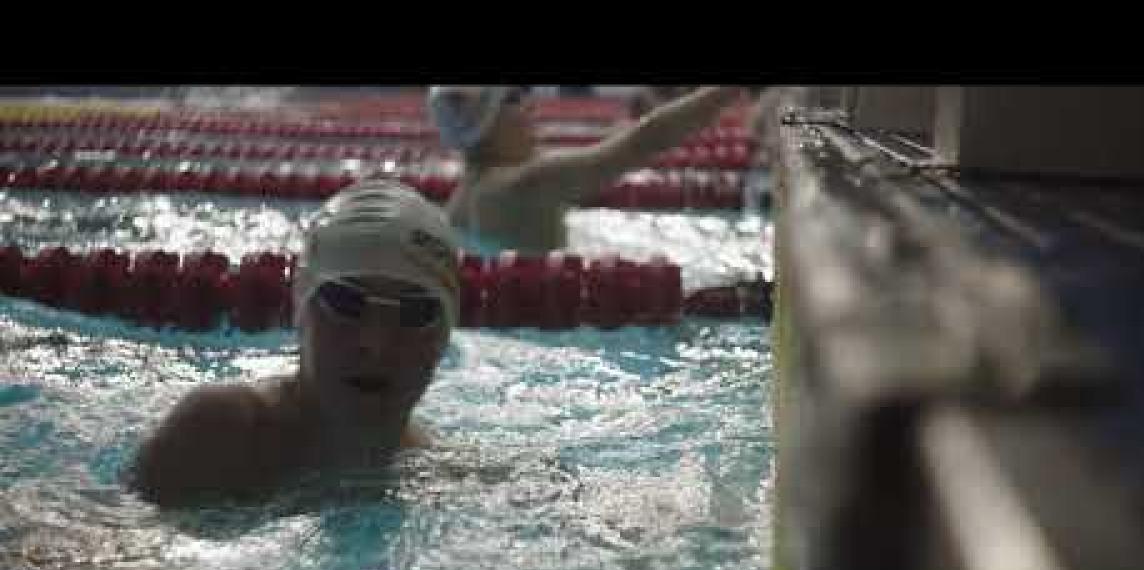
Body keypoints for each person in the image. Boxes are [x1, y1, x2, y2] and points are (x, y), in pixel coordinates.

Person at [129, 179, 461, 506]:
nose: (375, 343)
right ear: (300, 308)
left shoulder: (429, 476)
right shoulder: (224, 434)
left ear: (444, 337)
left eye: (417, 312)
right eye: (346, 302)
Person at [428, 85, 756, 254]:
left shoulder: (457, 203)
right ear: (485, 124)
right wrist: (724, 92)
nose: (531, 107)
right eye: (513, 98)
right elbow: (641, 144)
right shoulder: (523, 183)